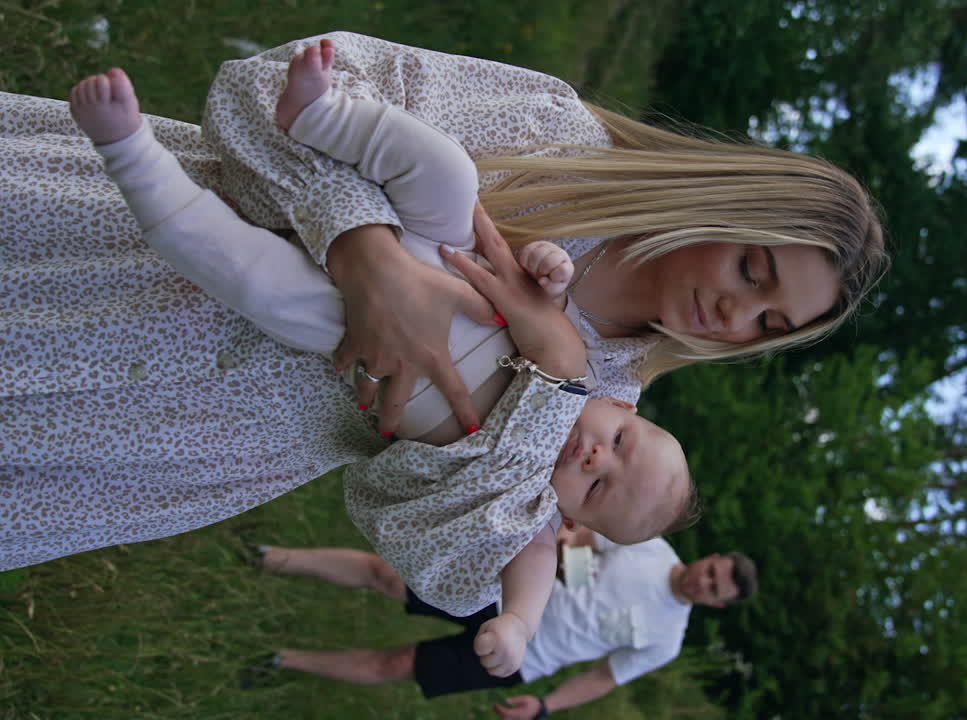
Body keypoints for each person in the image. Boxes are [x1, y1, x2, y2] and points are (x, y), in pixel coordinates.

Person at [0, 31, 887, 569]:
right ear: (725, 205)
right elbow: (266, 89)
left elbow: (427, 546)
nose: (737, 317)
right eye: (752, 272)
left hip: (172, 439)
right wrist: (365, 255)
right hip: (114, 270)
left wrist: (556, 377)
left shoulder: (608, 410)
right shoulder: (554, 140)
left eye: (770, 325)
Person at [65, 62, 700, 677]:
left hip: (363, 344)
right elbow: (540, 287)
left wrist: (519, 626)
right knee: (448, 173)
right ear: (621, 408)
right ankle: (325, 114)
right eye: (619, 444)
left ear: (574, 523)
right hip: (453, 265)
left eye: (597, 489)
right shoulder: (578, 366)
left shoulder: (528, 514)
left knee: (259, 284)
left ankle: (133, 160)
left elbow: (527, 576)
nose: (595, 460)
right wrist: (547, 263)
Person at [243, 531, 757, 718]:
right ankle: (270, 557)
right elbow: (578, 541)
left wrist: (546, 707)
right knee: (387, 575)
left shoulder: (667, 639)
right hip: (502, 596)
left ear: (715, 605)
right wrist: (571, 557)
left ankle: (283, 659)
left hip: (522, 660)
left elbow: (603, 677)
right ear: (709, 558)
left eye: (715, 590)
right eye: (712, 573)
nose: (703, 582)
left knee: (398, 664)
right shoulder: (649, 543)